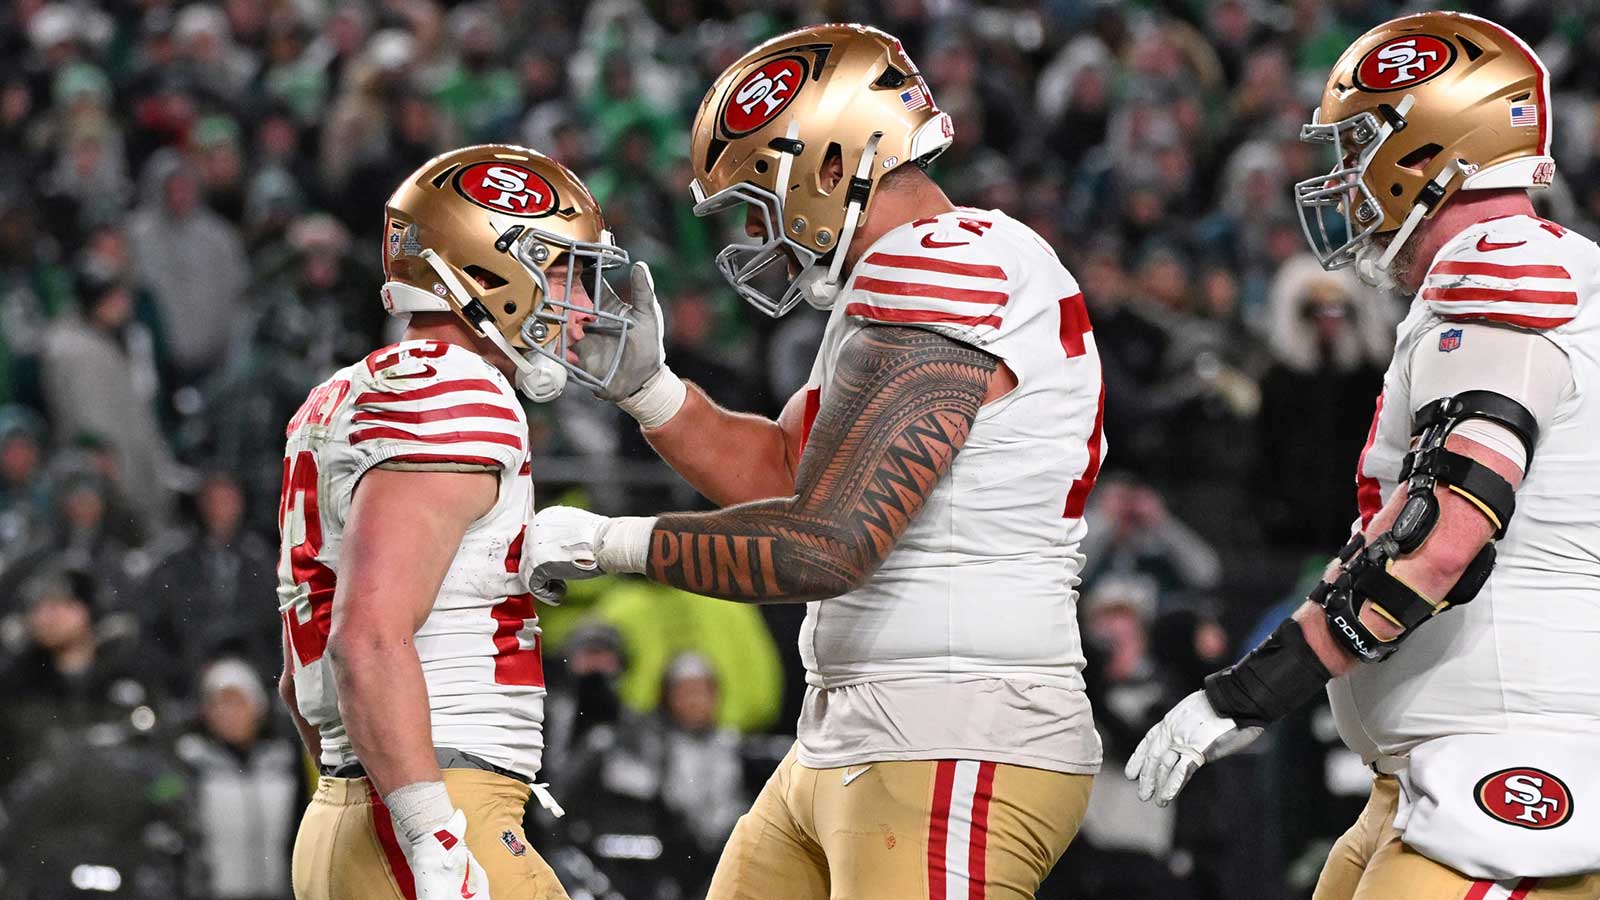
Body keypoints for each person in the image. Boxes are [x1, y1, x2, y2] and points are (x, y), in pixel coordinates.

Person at [533, 24, 1102, 898]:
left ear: (831, 166)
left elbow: (828, 543)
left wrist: (609, 544)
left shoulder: (947, 268)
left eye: (760, 196)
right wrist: (650, 391)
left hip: (955, 724)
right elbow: (789, 476)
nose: (758, 229)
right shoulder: (907, 271)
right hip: (866, 724)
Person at [1125, 12, 1600, 899]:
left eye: (1360, 146)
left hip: (1512, 760)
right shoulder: (1518, 273)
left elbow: (1440, 538)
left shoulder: (1501, 272)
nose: (1347, 178)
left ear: (1429, 149)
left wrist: (1253, 691)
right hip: (1447, 758)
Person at [277, 144, 632, 900]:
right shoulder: (459, 394)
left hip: (355, 807)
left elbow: (297, 682)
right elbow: (364, 640)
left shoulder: (341, 394)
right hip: (438, 810)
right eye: (565, 273)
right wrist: (432, 835)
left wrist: (361, 791)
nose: (582, 308)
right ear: (491, 272)